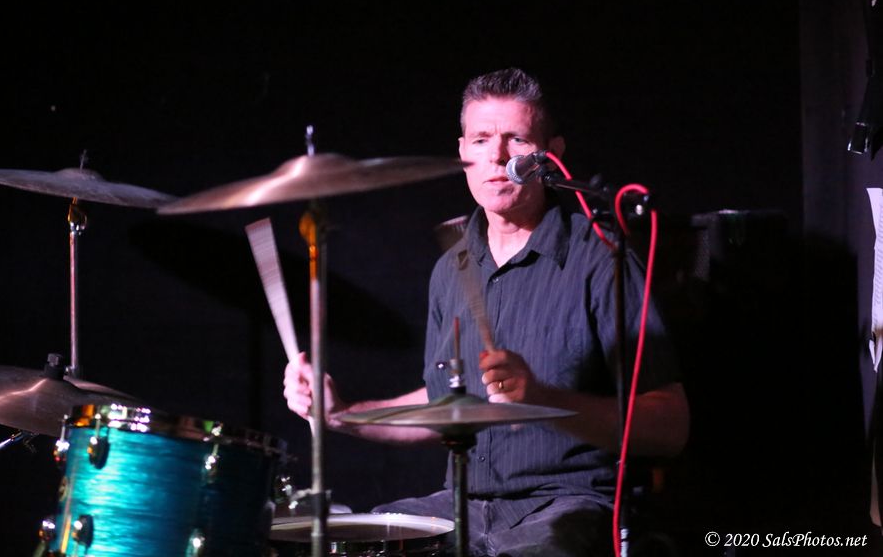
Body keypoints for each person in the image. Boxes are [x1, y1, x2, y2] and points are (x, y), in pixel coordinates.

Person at [283, 67, 689, 556]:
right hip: (465, 504)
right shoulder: (450, 268)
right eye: (480, 140)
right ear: (463, 153)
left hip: (571, 503)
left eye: (516, 139)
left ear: (552, 154)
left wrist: (540, 397)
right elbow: (446, 408)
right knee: (360, 541)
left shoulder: (600, 258)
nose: (496, 156)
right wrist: (342, 414)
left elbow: (670, 426)